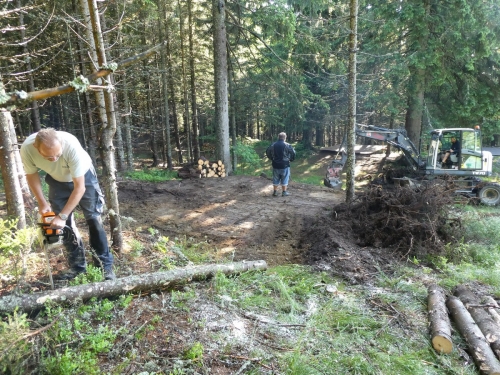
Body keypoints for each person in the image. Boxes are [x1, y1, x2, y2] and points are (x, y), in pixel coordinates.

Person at [20, 128, 115, 281]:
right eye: (48, 157)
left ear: (62, 145)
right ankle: (77, 267)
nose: (54, 159)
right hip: (57, 180)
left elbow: (80, 188)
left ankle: (104, 267)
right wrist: (42, 202)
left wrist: (62, 216)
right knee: (64, 226)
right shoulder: (27, 149)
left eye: (58, 154)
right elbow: (31, 175)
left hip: (84, 177)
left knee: (93, 219)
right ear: (36, 148)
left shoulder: (71, 146)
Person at [266, 132, 296, 196]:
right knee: (285, 177)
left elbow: (267, 152)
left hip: (275, 164)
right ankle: (284, 192)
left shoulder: (273, 145)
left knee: (275, 178)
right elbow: (293, 153)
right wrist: (291, 159)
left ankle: (275, 192)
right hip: (285, 164)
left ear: (278, 137)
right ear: (285, 138)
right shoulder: (287, 145)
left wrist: (271, 158)